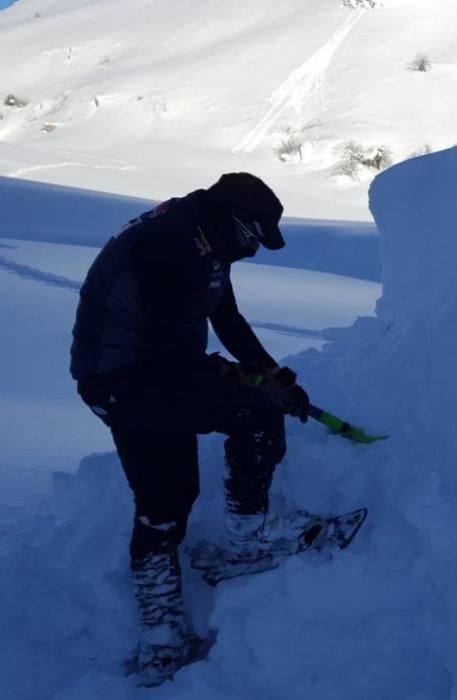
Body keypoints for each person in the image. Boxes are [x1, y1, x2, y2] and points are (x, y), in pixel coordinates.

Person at [70, 173, 311, 686]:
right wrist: (240, 381)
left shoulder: (204, 237)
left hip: (132, 376)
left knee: (167, 501)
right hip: (127, 378)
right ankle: (246, 543)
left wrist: (275, 376)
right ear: (232, 222)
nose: (251, 251)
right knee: (254, 416)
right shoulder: (170, 245)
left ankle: (161, 641)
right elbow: (168, 347)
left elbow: (225, 316)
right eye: (252, 238)